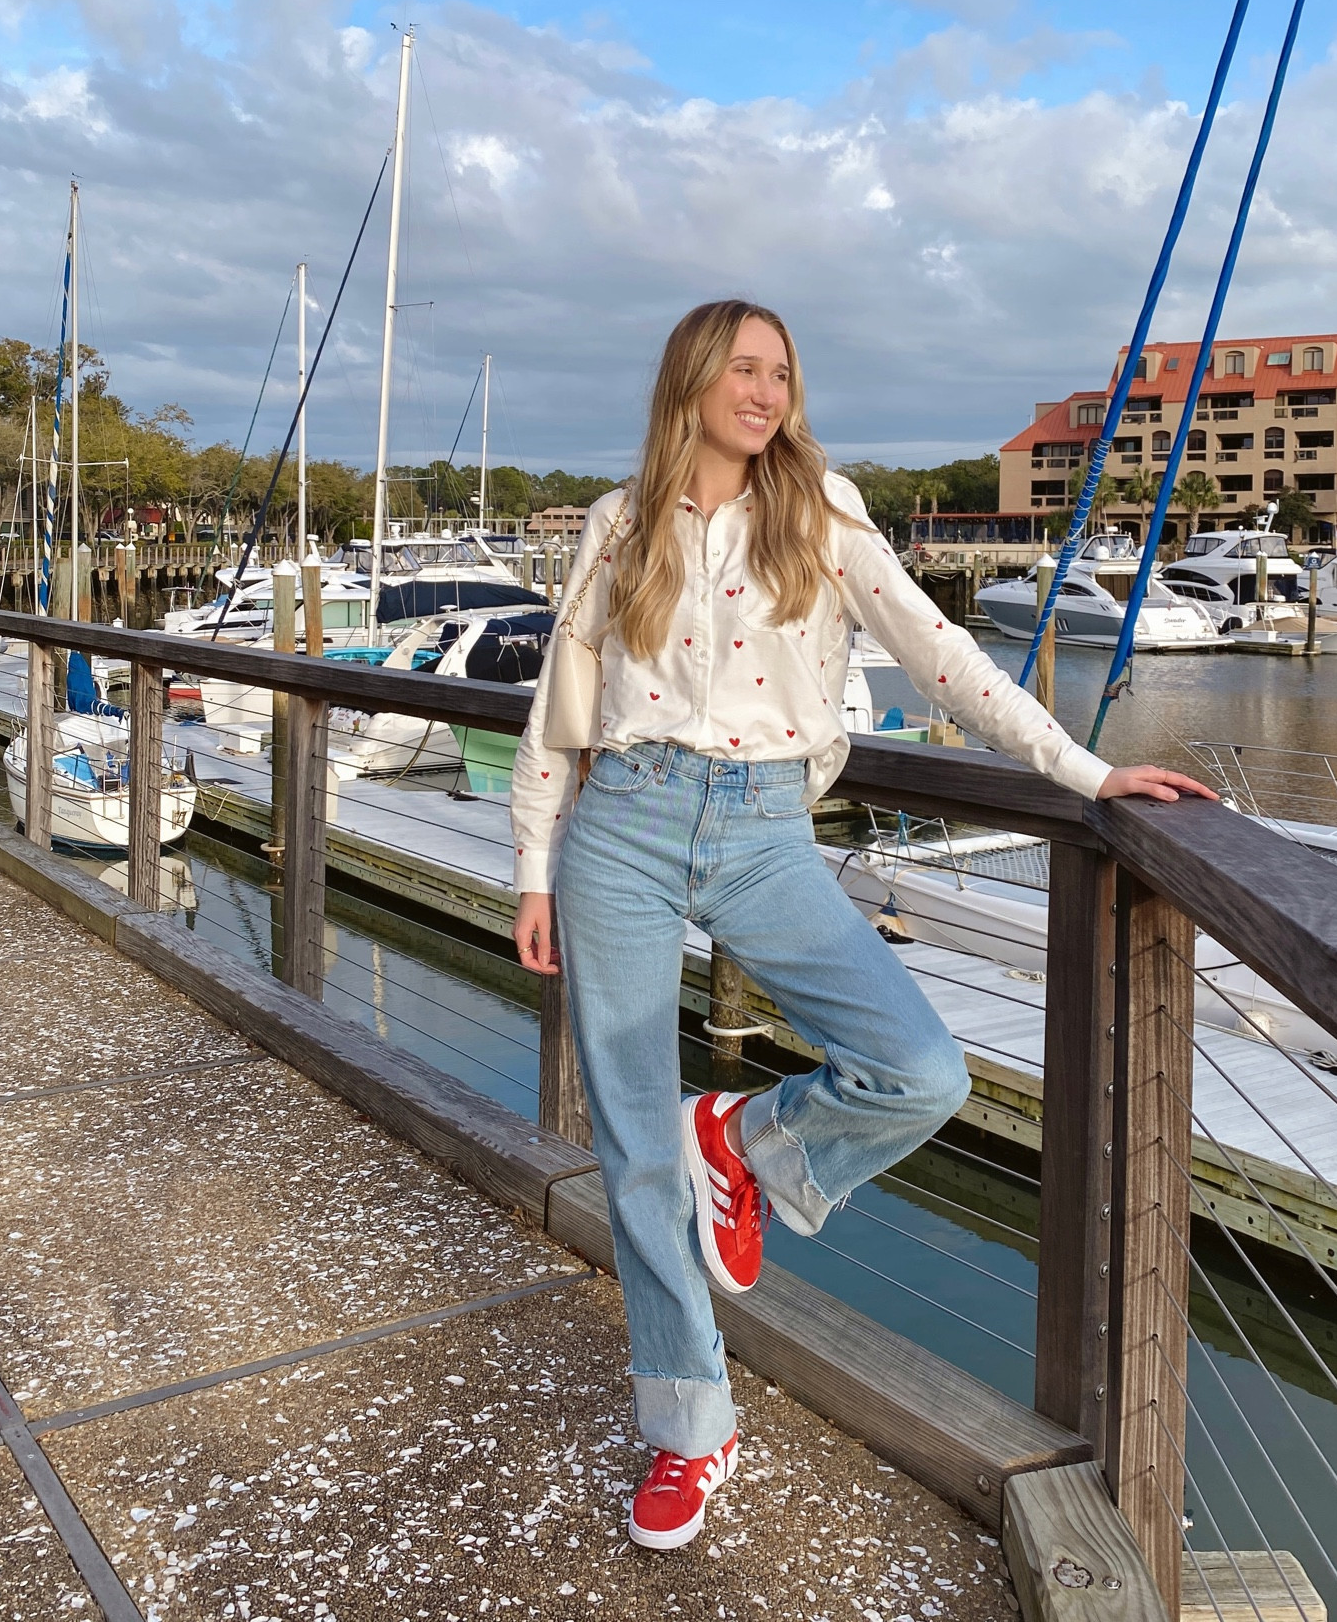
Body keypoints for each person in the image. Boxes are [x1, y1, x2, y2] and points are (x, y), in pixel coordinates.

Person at [510, 300, 1214, 1551]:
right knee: (630, 1147)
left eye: (780, 370)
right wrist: (529, 868)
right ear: (690, 380)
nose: (765, 388)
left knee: (920, 1067)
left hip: (763, 824)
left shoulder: (821, 512)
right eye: (743, 367)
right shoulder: (622, 522)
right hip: (618, 820)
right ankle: (688, 1425)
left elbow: (941, 656)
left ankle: (747, 1138)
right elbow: (562, 701)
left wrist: (1082, 770)